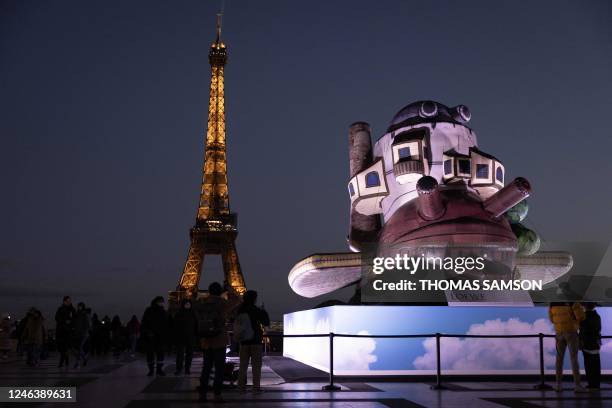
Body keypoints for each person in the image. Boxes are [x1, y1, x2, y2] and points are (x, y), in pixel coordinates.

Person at [198, 282, 240, 402]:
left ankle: (203, 394)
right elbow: (237, 300)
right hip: (219, 340)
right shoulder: (222, 303)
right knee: (219, 369)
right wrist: (229, 290)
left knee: (206, 368)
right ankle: (217, 394)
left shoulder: (203, 302)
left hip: (206, 340)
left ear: (209, 291)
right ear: (220, 291)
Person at [549, 302, 587, 393]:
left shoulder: (552, 303)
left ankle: (558, 385)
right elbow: (581, 317)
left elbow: (551, 319)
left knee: (559, 359)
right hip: (571, 332)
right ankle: (577, 385)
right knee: (574, 358)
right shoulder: (573, 302)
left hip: (559, 332)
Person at [237, 290, 270, 394]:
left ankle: (241, 388)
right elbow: (266, 322)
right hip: (255, 340)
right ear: (254, 299)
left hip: (244, 341)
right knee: (256, 366)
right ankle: (256, 388)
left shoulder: (240, 310)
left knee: (243, 366)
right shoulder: (257, 310)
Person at [141, 296, 169, 376]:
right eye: (160, 301)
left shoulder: (163, 311)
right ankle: (151, 370)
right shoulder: (150, 310)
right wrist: (147, 332)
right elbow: (144, 323)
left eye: (162, 301)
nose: (162, 303)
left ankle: (159, 369)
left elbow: (166, 324)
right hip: (151, 335)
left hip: (160, 336)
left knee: (160, 353)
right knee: (150, 353)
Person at [580, 303, 601, 390]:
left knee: (588, 365)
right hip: (595, 343)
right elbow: (599, 329)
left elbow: (582, 330)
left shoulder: (583, 317)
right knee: (596, 366)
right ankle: (596, 384)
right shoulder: (597, 316)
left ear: (585, 306)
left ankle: (591, 384)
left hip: (586, 344)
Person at [174, 299, 198, 375]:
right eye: (186, 304)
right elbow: (175, 326)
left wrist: (196, 335)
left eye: (188, 304)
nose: (187, 305)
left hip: (190, 337)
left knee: (189, 354)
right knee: (180, 354)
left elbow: (196, 325)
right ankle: (179, 369)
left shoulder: (193, 314)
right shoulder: (179, 314)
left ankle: (187, 369)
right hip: (181, 337)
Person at [55, 296, 75, 368]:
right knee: (61, 347)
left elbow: (74, 318)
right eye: (67, 301)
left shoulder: (72, 309)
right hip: (60, 330)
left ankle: (61, 362)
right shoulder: (60, 309)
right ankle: (66, 357)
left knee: (64, 347)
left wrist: (70, 323)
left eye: (69, 301)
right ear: (64, 301)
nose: (68, 302)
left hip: (67, 331)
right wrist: (63, 321)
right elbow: (56, 317)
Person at [71, 302, 90, 368]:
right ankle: (84, 358)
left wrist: (84, 332)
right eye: (78, 306)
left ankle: (77, 362)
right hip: (77, 334)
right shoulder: (76, 314)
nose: (79, 307)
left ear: (83, 307)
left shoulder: (85, 314)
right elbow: (74, 323)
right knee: (77, 349)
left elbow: (87, 325)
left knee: (79, 348)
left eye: (80, 306)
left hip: (83, 334)